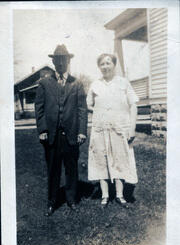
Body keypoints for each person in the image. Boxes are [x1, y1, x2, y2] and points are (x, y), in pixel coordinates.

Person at [35, 44, 87, 216]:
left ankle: (71, 199)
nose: (61, 63)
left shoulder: (77, 83)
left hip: (71, 134)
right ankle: (52, 201)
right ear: (53, 61)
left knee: (71, 168)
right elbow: (39, 108)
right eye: (57, 59)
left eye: (64, 59)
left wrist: (81, 131)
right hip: (51, 135)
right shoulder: (44, 83)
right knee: (53, 169)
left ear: (68, 61)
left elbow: (82, 109)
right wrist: (42, 129)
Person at [87, 53, 138, 208]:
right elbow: (88, 104)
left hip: (119, 128)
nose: (105, 66)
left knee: (120, 158)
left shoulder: (123, 83)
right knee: (100, 159)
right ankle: (104, 196)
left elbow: (134, 105)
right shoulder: (95, 84)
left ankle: (120, 196)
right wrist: (100, 111)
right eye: (102, 64)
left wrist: (132, 128)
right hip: (100, 129)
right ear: (99, 67)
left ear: (114, 65)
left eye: (108, 63)